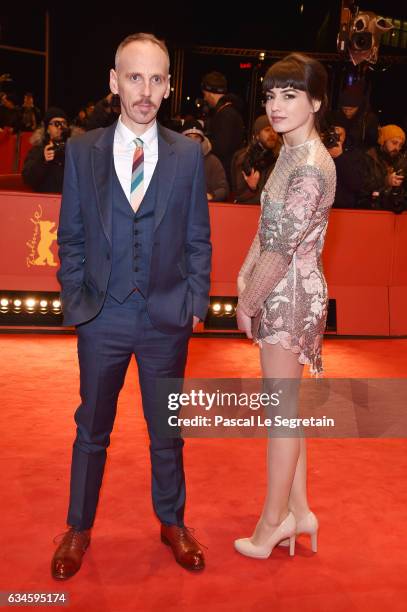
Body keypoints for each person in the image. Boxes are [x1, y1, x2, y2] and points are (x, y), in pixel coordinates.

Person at [51, 32, 211, 580]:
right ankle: (78, 526)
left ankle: (172, 521)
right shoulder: (80, 149)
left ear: (168, 86)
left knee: (166, 430)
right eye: (135, 77)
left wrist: (196, 299)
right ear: (114, 81)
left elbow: (198, 238)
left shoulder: (189, 154)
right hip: (103, 316)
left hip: (167, 317)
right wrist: (78, 295)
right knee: (91, 428)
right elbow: (69, 235)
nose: (145, 90)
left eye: (156, 78)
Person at [234, 53, 336, 559]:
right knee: (286, 412)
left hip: (290, 297)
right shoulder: (290, 154)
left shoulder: (313, 167)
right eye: (272, 94)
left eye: (290, 94)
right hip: (279, 288)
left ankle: (272, 523)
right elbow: (266, 228)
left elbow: (282, 247)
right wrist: (243, 278)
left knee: (282, 416)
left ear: (316, 101)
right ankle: (300, 511)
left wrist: (248, 300)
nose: (276, 105)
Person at [201, 71, 245, 185]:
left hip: (225, 175)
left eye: (205, 94)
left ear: (210, 93)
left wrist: (204, 144)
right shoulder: (228, 111)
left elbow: (221, 148)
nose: (205, 99)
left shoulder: (226, 114)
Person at [231, 115, 280, 204]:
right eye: (267, 130)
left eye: (274, 130)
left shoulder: (281, 158)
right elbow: (238, 194)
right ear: (257, 135)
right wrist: (252, 188)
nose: (272, 134)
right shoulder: (243, 158)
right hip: (249, 211)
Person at [359, 124, 407, 212]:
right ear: (383, 141)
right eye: (394, 143)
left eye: (400, 145)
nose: (397, 148)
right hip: (370, 209)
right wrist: (386, 181)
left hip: (396, 210)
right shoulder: (368, 158)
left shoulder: (402, 161)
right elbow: (362, 186)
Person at [22, 107, 70, 193]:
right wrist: (43, 160)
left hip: (69, 202)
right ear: (47, 129)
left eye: (64, 123)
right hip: (46, 202)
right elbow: (28, 179)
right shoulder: (38, 150)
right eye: (56, 123)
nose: (60, 127)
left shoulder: (73, 149)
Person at [181, 118, 229, 201]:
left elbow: (223, 189)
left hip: (205, 208)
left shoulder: (213, 162)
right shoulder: (174, 160)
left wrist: (211, 196)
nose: (193, 141)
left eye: (196, 137)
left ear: (202, 140)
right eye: (189, 137)